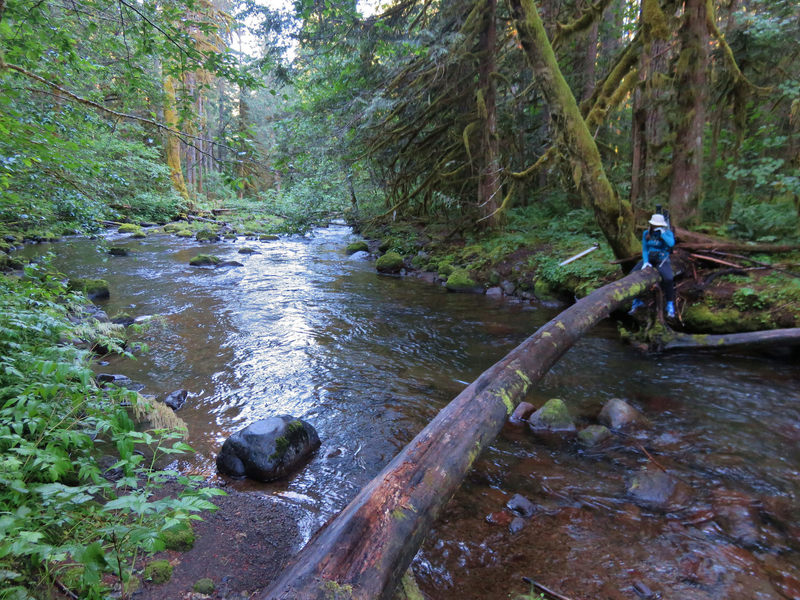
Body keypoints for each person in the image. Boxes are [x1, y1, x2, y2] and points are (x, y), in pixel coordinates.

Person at [629, 213, 676, 318]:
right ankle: (636, 300)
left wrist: (663, 234)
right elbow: (645, 249)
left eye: (658, 225)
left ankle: (669, 304)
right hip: (650, 258)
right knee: (633, 274)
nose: (656, 227)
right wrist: (646, 262)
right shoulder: (646, 233)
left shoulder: (667, 233)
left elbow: (671, 244)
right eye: (655, 225)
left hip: (662, 259)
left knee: (668, 278)